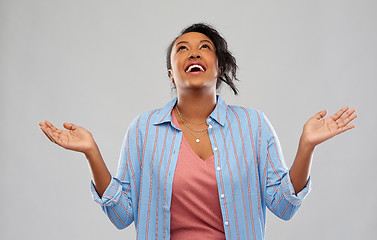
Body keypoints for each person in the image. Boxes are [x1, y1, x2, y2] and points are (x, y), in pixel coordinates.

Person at [39, 23, 357, 240]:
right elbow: (122, 215)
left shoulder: (254, 125)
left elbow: (284, 206)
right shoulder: (143, 130)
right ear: (171, 72)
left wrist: (307, 146)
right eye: (182, 49)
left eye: (204, 47)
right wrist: (91, 151)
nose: (193, 53)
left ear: (218, 67)